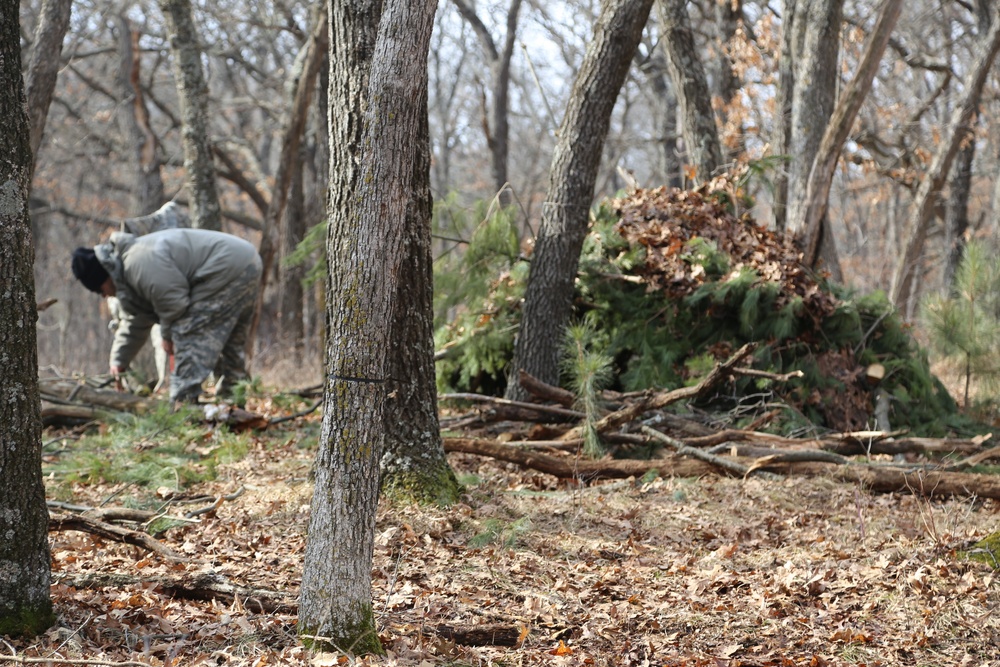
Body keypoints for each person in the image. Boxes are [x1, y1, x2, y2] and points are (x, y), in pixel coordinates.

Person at [72, 228, 262, 404]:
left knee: (188, 331)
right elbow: (137, 320)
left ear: (104, 276)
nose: (105, 296)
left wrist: (167, 335)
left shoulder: (137, 262)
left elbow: (175, 304)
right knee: (232, 341)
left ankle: (184, 408)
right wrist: (119, 360)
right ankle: (232, 403)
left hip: (227, 266)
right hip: (245, 261)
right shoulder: (127, 271)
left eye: (100, 290)